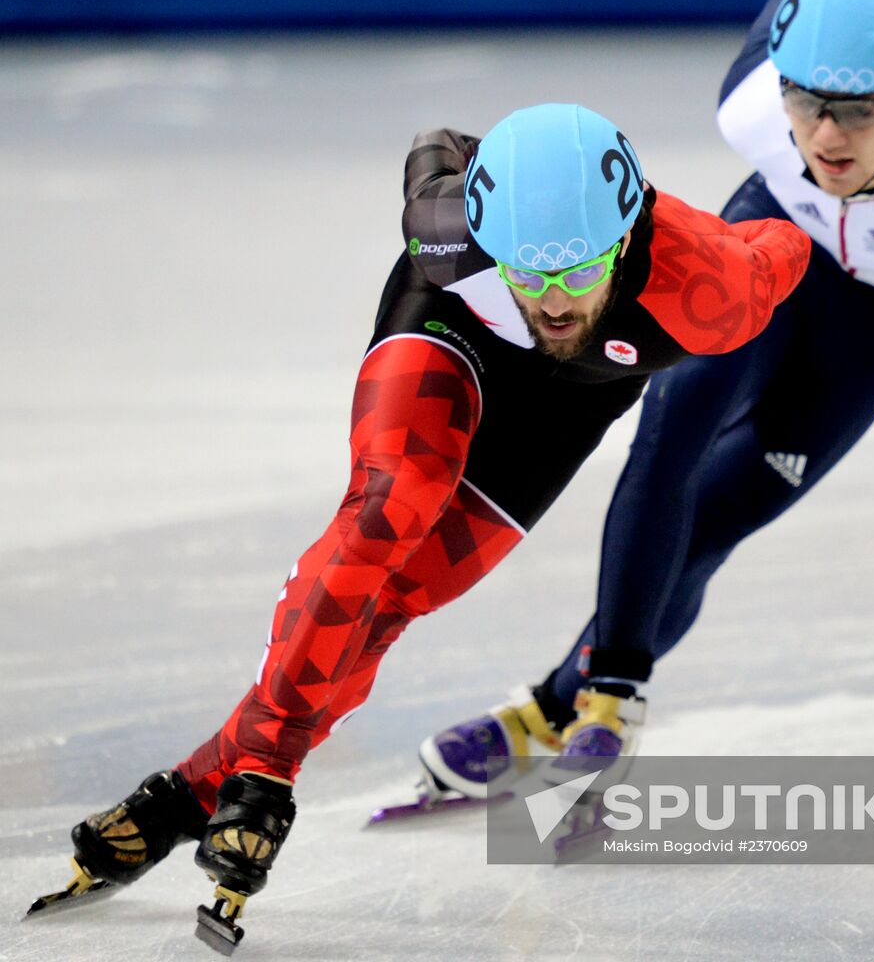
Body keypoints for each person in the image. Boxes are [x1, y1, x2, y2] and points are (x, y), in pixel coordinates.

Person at [46, 103, 809, 939]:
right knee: (387, 509)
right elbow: (436, 139)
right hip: (449, 326)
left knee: (402, 595)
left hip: (567, 404)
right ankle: (262, 767)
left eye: (577, 272)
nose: (551, 302)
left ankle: (189, 795)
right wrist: (269, 769)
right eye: (529, 269)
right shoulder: (447, 227)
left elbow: (795, 241)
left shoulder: (714, 287)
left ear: (626, 240)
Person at [421, 0, 874, 795]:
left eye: (861, 109)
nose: (827, 136)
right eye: (806, 102)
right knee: (666, 446)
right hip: (769, 245)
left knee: (711, 523)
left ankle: (553, 705)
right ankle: (608, 693)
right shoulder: (751, 99)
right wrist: (619, 689)